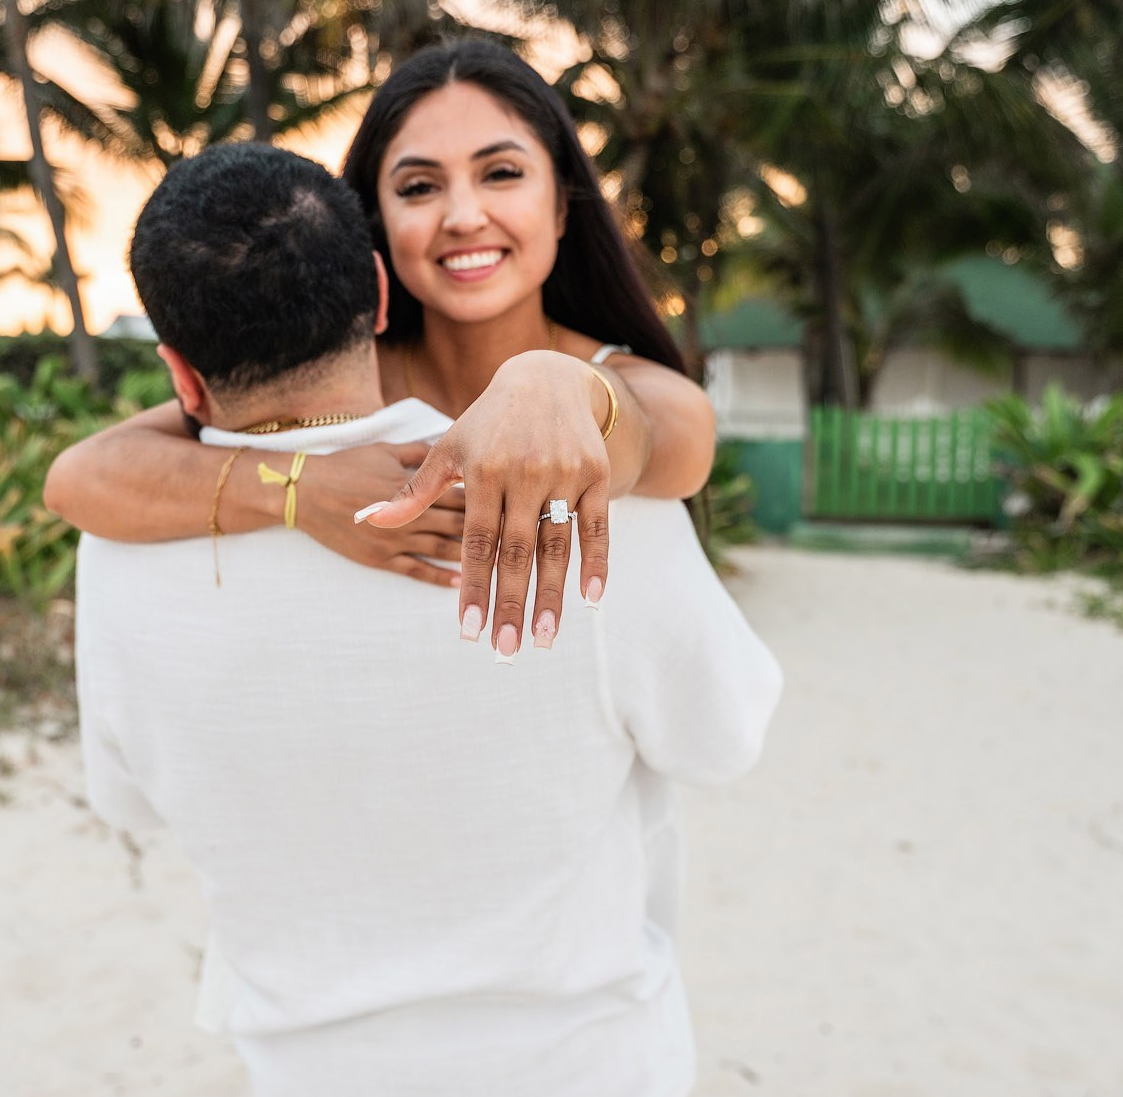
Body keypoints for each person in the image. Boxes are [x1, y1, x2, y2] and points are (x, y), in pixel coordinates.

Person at [76, 142, 781, 1097]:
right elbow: (725, 736)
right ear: (373, 287)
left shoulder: (123, 546)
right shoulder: (576, 504)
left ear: (178, 368)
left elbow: (127, 798)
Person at [44, 39, 716, 659]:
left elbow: (672, 448)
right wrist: (299, 491)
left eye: (501, 173)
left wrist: (563, 386)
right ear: (376, 227)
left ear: (562, 205)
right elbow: (81, 476)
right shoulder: (342, 373)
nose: (463, 216)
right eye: (419, 187)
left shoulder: (621, 380)